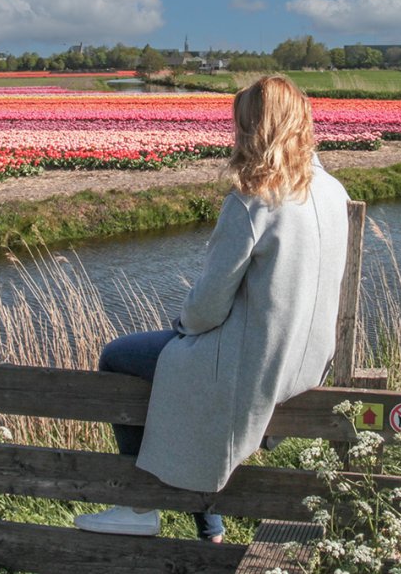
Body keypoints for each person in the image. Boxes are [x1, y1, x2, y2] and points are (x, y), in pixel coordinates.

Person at [73, 75, 351, 541]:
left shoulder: (254, 201)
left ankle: (140, 508)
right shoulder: (332, 191)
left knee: (120, 357)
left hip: (257, 365)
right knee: (180, 370)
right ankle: (211, 529)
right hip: (306, 364)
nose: (235, 136)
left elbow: (206, 308)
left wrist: (182, 326)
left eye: (241, 126)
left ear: (257, 130)